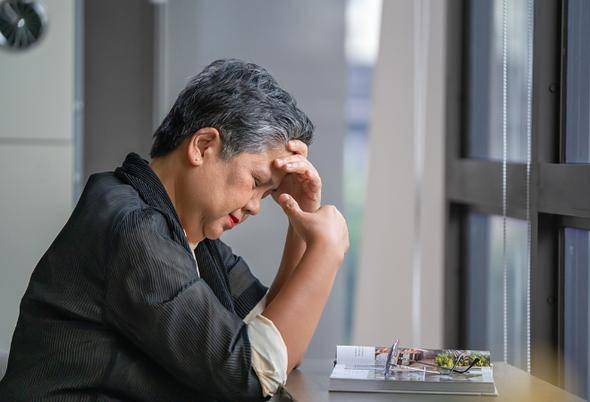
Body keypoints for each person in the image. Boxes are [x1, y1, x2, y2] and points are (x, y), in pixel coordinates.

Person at [0, 59, 349, 401]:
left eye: (268, 192)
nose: (255, 206)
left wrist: (300, 220)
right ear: (203, 146)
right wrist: (325, 251)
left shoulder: (193, 235)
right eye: (256, 181)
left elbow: (277, 351)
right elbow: (253, 374)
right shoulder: (134, 228)